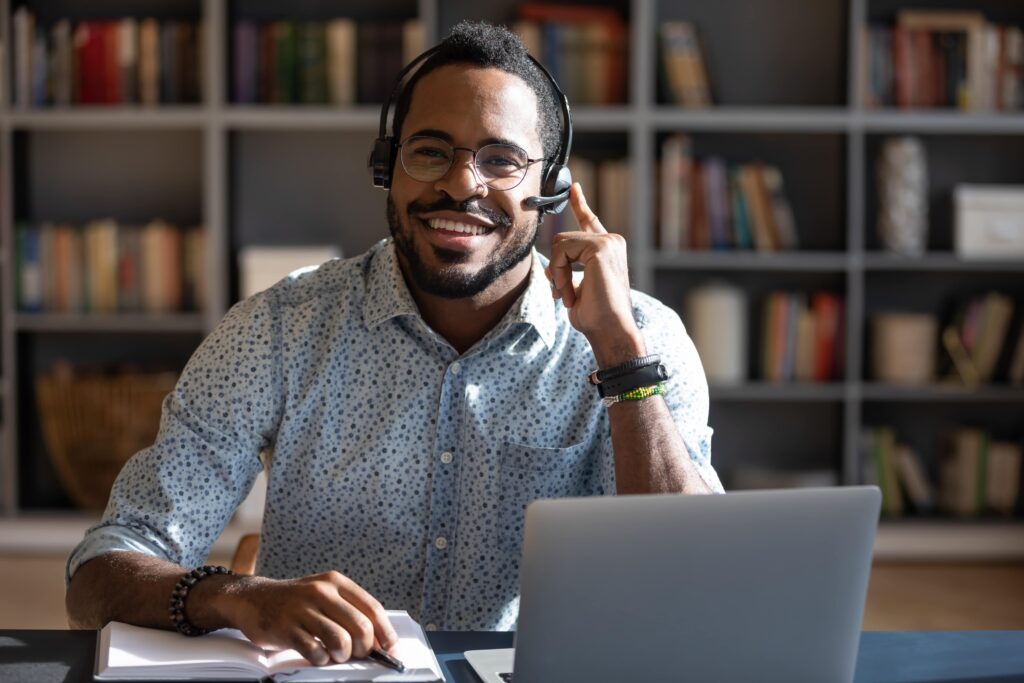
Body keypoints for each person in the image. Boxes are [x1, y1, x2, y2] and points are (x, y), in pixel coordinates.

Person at [65, 21, 723, 667]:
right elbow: (100, 569)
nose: (463, 184)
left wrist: (621, 360)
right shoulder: (278, 330)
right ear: (388, 167)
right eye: (431, 151)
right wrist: (236, 596)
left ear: (549, 187)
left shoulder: (640, 337)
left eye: (501, 159)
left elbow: (700, 581)